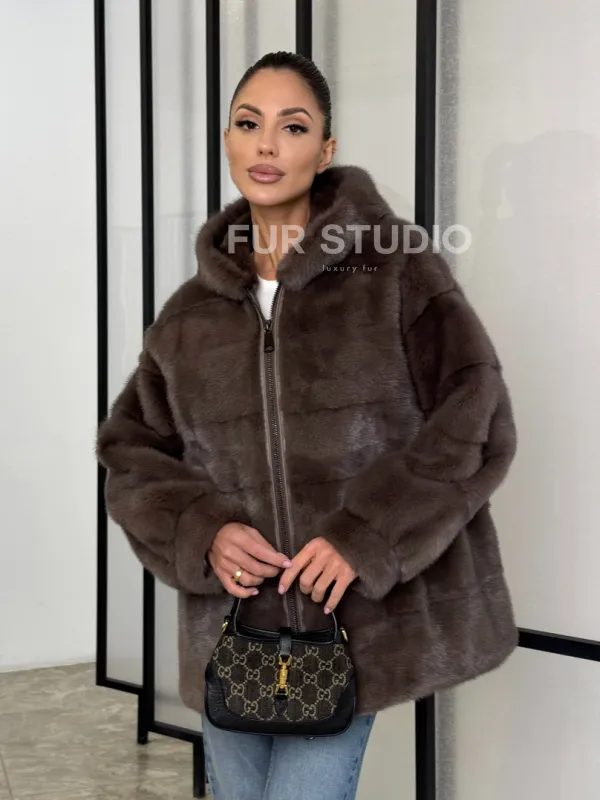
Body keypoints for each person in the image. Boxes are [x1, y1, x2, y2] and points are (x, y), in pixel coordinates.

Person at [96, 51, 519, 800]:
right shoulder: (190, 315)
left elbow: (475, 410)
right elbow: (129, 451)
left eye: (292, 127)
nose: (267, 144)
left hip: (352, 629)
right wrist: (202, 530)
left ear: (325, 151)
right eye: (248, 123)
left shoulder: (393, 271)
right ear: (227, 141)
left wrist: (369, 534)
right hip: (233, 630)